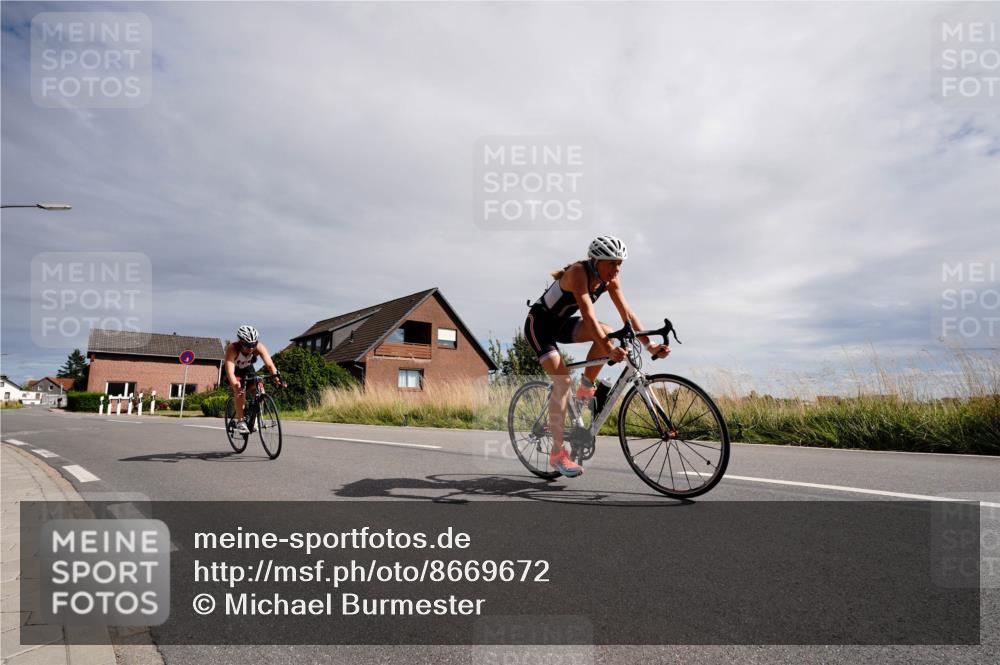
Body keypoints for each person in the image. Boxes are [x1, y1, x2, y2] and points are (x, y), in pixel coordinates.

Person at [524, 235, 670, 477]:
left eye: (620, 263)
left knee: (608, 332)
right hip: (540, 326)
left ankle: (585, 391)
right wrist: (608, 347)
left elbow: (627, 313)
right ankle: (558, 455)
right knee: (562, 381)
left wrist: (650, 345)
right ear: (596, 261)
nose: (617, 269)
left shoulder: (610, 278)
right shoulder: (578, 273)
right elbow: (588, 315)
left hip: (563, 325)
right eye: (612, 263)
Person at [223, 325, 283, 434]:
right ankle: (241, 421)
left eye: (253, 344)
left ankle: (254, 417)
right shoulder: (232, 349)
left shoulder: (259, 347)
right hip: (234, 371)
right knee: (240, 391)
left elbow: (270, 365)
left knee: (260, 389)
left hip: (247, 369)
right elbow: (230, 372)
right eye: (247, 345)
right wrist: (236, 384)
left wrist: (277, 377)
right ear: (240, 342)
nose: (251, 348)